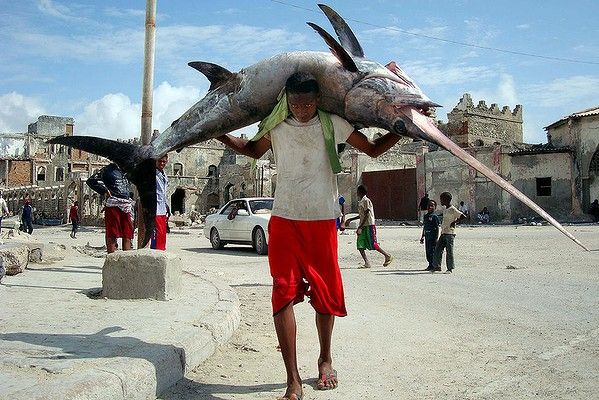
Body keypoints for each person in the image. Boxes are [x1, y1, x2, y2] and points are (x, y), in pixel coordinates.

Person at [215, 72, 401, 400]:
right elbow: (253, 150)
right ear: (287, 100)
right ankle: (292, 379)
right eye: (295, 102)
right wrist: (220, 134)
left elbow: (371, 150)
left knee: (326, 295)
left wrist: (403, 128)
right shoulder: (276, 126)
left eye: (308, 102)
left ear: (317, 100)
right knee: (282, 295)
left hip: (321, 221)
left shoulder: (333, 124)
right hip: (284, 221)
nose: (301, 109)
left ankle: (325, 358)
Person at [87, 163, 134, 254]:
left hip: (126, 205)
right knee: (112, 233)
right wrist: (104, 191)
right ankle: (111, 258)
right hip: (113, 204)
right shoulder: (107, 170)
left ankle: (127, 258)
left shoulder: (127, 170)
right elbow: (91, 181)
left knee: (127, 234)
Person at [344, 185, 394, 269]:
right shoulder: (361, 201)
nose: (356, 193)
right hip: (363, 225)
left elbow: (367, 215)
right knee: (360, 244)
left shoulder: (366, 201)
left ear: (360, 192)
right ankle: (367, 262)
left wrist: (360, 227)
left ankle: (387, 255)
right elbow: (361, 215)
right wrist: (350, 219)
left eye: (357, 191)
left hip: (369, 225)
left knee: (373, 244)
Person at [432, 192, 465, 273]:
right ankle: (437, 266)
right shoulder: (445, 209)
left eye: (442, 199)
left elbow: (463, 216)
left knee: (449, 251)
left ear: (446, 200)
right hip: (443, 232)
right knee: (438, 249)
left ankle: (449, 268)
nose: (441, 201)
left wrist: (455, 222)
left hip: (450, 233)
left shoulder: (452, 209)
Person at [151, 154, 169, 250]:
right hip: (155, 207)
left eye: (164, 161)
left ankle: (161, 251)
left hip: (162, 208)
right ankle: (155, 252)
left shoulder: (163, 174)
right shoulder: (151, 173)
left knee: (162, 233)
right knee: (156, 233)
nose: (162, 163)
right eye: (160, 161)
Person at [420, 199, 440, 271]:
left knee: (433, 251)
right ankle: (429, 264)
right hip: (427, 236)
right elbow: (424, 227)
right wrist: (422, 236)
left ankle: (434, 265)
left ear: (435, 207)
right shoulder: (426, 216)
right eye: (429, 205)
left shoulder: (435, 217)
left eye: (432, 206)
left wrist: (436, 238)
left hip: (433, 237)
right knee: (428, 251)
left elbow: (437, 227)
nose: (430, 207)